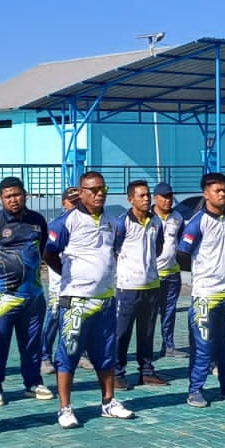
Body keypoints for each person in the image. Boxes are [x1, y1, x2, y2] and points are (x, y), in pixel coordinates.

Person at [43, 170, 132, 427]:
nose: (99, 194)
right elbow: (49, 253)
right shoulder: (65, 222)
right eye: (93, 190)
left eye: (102, 189)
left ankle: (108, 401)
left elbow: (111, 251)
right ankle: (65, 408)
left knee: (105, 354)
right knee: (68, 352)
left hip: (105, 299)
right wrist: (69, 275)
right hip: (74, 301)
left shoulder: (112, 221)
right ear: (81, 193)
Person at [0, 177, 52, 406]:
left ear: (25, 194)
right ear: (1, 198)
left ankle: (32, 383)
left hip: (34, 296)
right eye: (8, 196)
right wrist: (0, 268)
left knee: (31, 343)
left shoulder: (37, 220)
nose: (14, 200)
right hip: (3, 298)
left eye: (17, 194)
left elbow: (43, 247)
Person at [175, 172, 225, 408]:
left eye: (224, 190)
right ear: (206, 194)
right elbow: (182, 254)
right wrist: (205, 273)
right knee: (203, 346)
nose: (222, 194)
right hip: (205, 297)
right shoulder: (197, 223)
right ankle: (195, 390)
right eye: (217, 191)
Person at [112, 179, 167, 390]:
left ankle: (146, 371)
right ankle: (117, 373)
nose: (146, 199)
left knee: (147, 332)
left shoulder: (156, 222)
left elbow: (159, 248)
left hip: (152, 286)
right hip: (127, 288)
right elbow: (114, 250)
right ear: (130, 199)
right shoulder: (122, 223)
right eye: (141, 196)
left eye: (148, 195)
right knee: (122, 333)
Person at [40, 186, 80, 375]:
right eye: (72, 202)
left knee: (78, 319)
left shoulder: (86, 223)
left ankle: (79, 354)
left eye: (79, 202)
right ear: (63, 203)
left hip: (81, 286)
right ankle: (44, 356)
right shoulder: (56, 225)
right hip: (61, 285)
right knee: (55, 318)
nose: (76, 206)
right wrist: (62, 274)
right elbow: (48, 253)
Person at [152, 182, 185, 359]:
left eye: (170, 196)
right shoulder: (147, 217)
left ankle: (168, 346)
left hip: (172, 274)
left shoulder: (177, 217)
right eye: (164, 197)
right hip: (152, 276)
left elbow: (181, 244)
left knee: (169, 312)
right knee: (148, 315)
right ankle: (146, 349)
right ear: (155, 198)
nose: (168, 200)